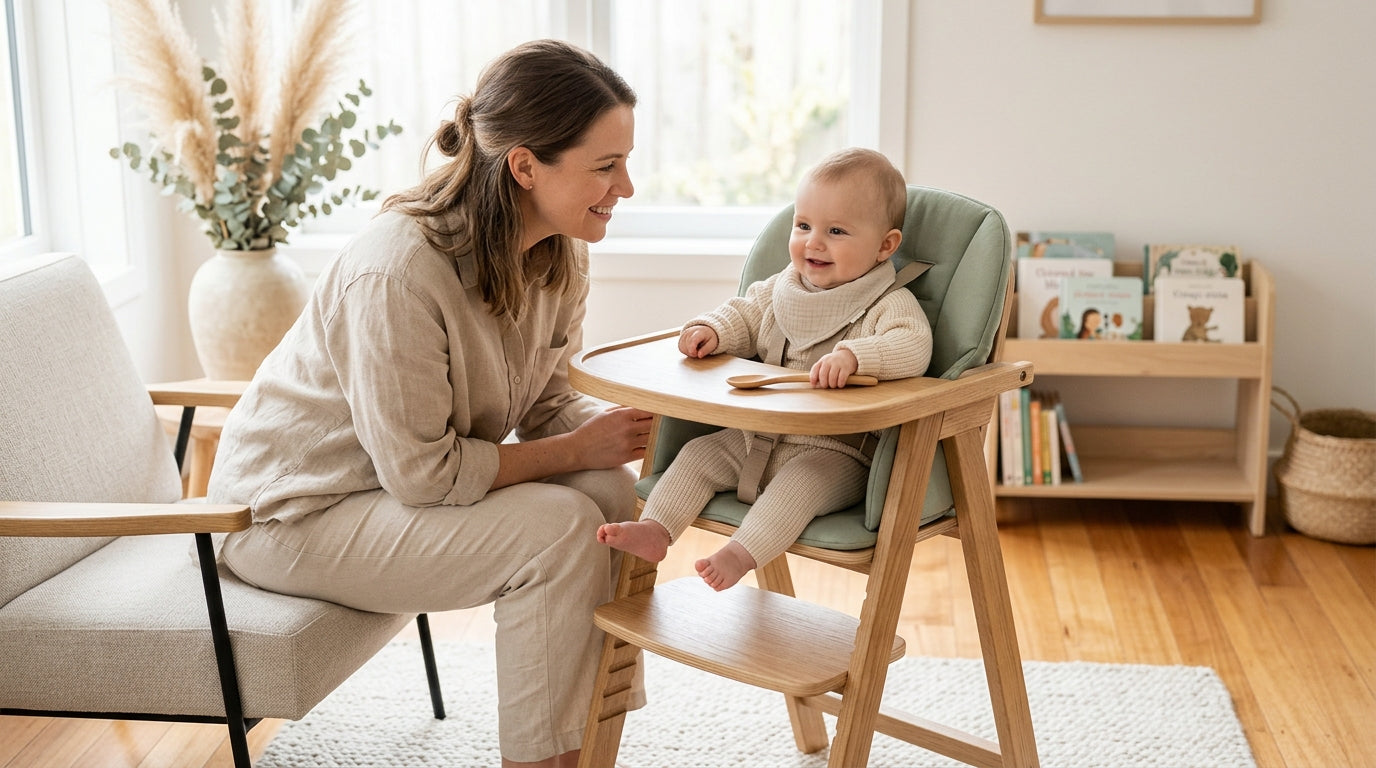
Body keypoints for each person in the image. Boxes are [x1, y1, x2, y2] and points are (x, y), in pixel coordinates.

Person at [207, 39, 651, 768]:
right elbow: (424, 475)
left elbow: (548, 404)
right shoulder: (398, 272)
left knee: (609, 490)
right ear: (525, 165)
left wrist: (636, 435)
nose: (625, 187)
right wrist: (574, 449)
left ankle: (587, 747)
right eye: (606, 166)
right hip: (290, 513)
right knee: (558, 527)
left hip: (384, 489)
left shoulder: (559, 251)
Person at [597, 147, 932, 591]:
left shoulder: (887, 302)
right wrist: (712, 331)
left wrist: (857, 357)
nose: (813, 242)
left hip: (836, 453)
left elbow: (913, 346)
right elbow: (744, 314)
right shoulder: (781, 288)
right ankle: (657, 530)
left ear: (885, 246)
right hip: (755, 437)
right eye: (803, 225)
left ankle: (740, 554)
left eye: (836, 231)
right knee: (697, 455)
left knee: (799, 485)